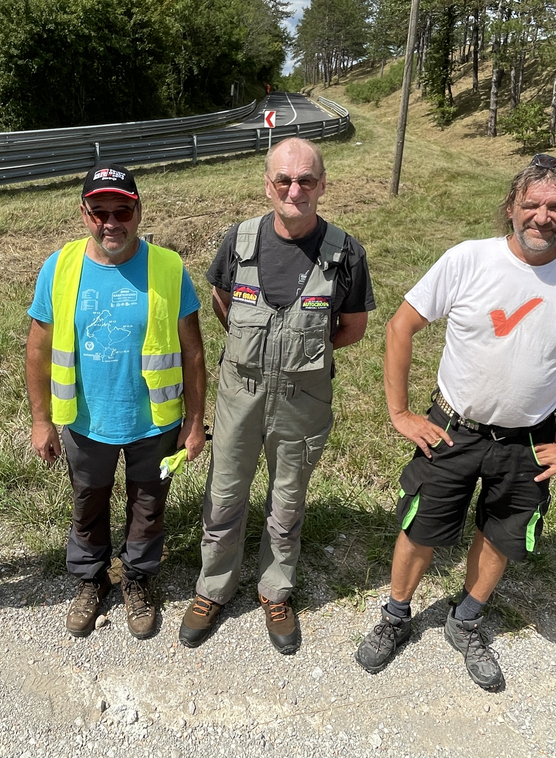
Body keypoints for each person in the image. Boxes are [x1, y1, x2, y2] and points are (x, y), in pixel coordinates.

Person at [354, 155, 556, 691]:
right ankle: (395, 616)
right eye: (531, 204)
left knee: (502, 534)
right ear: (511, 207)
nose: (541, 216)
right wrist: (400, 412)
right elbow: (400, 327)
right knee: (421, 526)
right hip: (452, 429)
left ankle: (466, 621)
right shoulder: (467, 260)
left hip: (529, 440)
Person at [179, 138, 376, 654]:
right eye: (284, 181)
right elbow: (222, 302)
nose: (295, 190)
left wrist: (299, 352)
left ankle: (275, 589)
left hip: (303, 398)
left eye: (306, 180)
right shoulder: (238, 240)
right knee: (224, 496)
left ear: (322, 185)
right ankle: (213, 588)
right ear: (267, 185)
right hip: (238, 393)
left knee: (287, 502)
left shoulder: (345, 253)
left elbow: (352, 327)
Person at [25, 163, 206, 640]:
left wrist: (195, 421)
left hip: (155, 421)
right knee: (88, 501)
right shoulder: (60, 266)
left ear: (138, 209)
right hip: (86, 419)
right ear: (83, 213)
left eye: (122, 210)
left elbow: (193, 350)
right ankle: (91, 578)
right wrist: (41, 420)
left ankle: (138, 579)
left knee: (148, 505)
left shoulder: (168, 267)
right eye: (99, 211)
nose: (111, 222)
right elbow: (38, 347)